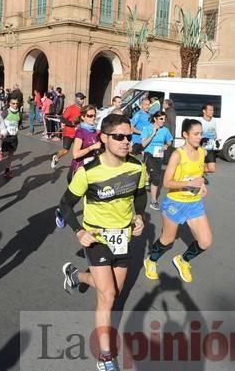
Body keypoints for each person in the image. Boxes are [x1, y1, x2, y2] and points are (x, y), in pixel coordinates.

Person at [59, 113, 146, 371]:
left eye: (129, 137)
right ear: (104, 138)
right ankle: (105, 355)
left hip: (123, 238)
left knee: (113, 292)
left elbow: (139, 195)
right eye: (119, 137)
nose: (125, 142)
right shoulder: (89, 172)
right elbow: (65, 204)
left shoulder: (136, 167)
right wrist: (78, 231)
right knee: (107, 296)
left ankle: (76, 276)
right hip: (96, 238)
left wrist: (138, 216)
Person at [143, 119, 212, 283]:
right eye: (196, 134)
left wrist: (201, 185)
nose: (199, 137)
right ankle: (151, 260)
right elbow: (166, 183)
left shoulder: (202, 152)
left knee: (205, 241)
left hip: (194, 203)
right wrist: (189, 184)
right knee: (167, 240)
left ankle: (183, 260)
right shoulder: (177, 155)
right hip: (175, 203)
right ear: (185, 135)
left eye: (201, 133)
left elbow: (198, 174)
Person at [141, 111, 173, 210]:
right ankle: (154, 200)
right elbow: (143, 144)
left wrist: (166, 145)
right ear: (155, 119)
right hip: (149, 153)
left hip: (158, 154)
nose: (163, 121)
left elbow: (169, 141)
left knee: (157, 178)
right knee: (154, 175)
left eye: (164, 119)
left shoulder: (165, 130)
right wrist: (152, 134)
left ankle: (152, 196)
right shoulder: (147, 128)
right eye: (161, 119)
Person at [51, 92, 85, 169]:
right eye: (81, 99)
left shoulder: (83, 109)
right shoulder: (71, 108)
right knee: (66, 150)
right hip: (68, 133)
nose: (83, 100)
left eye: (83, 99)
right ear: (77, 99)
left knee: (80, 149)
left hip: (78, 133)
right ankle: (56, 157)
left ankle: (80, 165)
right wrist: (72, 123)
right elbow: (62, 119)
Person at [0, 97, 22, 179]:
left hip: (14, 137)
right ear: (9, 103)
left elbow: (19, 123)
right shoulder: (6, 112)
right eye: (13, 103)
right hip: (6, 136)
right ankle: (0, 151)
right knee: (5, 153)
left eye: (17, 103)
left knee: (11, 154)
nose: (15, 105)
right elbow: (0, 122)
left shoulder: (19, 114)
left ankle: (7, 171)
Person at [198, 102, 218, 175]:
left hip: (210, 147)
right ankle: (198, 174)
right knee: (199, 164)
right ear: (204, 111)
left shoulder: (214, 120)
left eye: (212, 110)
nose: (212, 112)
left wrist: (216, 138)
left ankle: (198, 171)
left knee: (212, 169)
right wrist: (200, 147)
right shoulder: (200, 122)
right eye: (210, 110)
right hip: (202, 146)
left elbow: (214, 130)